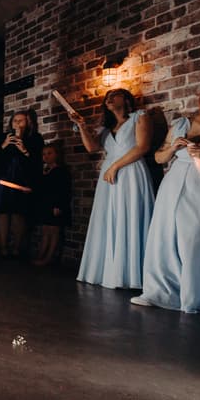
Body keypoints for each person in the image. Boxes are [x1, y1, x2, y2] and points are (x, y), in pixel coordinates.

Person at [130, 79, 200, 316]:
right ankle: (158, 292)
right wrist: (172, 150)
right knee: (163, 236)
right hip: (173, 184)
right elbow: (159, 158)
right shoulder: (183, 123)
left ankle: (194, 296)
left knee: (194, 239)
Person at [70, 88, 155, 289]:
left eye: (113, 95)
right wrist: (81, 125)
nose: (108, 98)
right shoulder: (106, 129)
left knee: (130, 216)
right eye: (106, 97)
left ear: (126, 99)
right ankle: (109, 272)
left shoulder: (139, 117)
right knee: (108, 218)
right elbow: (91, 148)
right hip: (108, 178)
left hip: (131, 172)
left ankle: (131, 273)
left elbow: (142, 147)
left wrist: (115, 166)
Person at [0, 110, 44, 257]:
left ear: (28, 123)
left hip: (22, 179)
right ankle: (3, 246)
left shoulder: (35, 138)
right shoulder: (3, 137)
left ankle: (17, 247)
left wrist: (24, 150)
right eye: (15, 121)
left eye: (21, 121)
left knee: (19, 212)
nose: (17, 123)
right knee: (3, 212)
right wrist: (4, 145)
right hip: (4, 179)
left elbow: (37, 162)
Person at [32, 143, 71, 266]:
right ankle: (41, 255)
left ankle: (48, 258)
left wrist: (59, 206)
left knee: (54, 232)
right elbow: (42, 188)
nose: (46, 156)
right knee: (45, 231)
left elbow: (64, 190)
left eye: (49, 153)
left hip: (56, 206)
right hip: (46, 205)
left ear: (57, 155)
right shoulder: (45, 171)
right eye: (44, 154)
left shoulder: (61, 171)